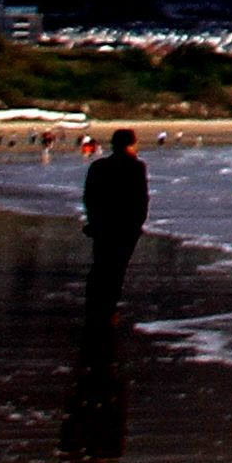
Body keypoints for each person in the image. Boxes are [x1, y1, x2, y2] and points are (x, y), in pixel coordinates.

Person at [81, 127, 150, 322]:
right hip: (126, 226)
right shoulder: (136, 167)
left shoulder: (98, 166)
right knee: (117, 269)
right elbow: (141, 198)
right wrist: (137, 224)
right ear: (131, 144)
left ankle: (93, 305)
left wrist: (93, 221)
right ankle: (109, 308)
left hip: (102, 224)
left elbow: (89, 197)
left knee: (100, 266)